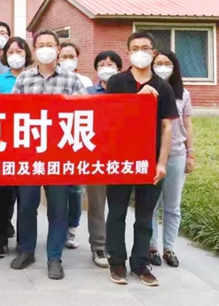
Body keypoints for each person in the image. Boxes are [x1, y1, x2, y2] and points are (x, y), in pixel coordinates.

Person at [9, 29, 86, 281]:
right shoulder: (24, 78)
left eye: (49, 45)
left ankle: (54, 257)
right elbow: (11, 113)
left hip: (59, 156)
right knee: (26, 206)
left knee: (58, 209)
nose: (45, 49)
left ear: (57, 48)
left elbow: (85, 115)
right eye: (40, 45)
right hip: (30, 154)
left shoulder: (72, 80)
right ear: (34, 49)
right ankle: (26, 251)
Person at [106, 31, 178, 287]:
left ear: (153, 53)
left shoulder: (164, 87)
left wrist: (162, 163)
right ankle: (116, 262)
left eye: (145, 48)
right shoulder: (116, 82)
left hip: (150, 161)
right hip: (120, 160)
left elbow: (167, 127)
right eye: (135, 48)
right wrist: (137, 102)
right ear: (128, 53)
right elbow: (110, 118)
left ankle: (140, 264)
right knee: (116, 213)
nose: (140, 52)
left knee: (145, 216)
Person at [0, 36, 33, 259]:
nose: (15, 56)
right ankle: (0, 240)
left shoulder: (34, 78)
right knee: (2, 198)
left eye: (20, 51)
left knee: (26, 200)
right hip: (4, 145)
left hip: (29, 144)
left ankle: (24, 243)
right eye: (11, 52)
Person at [149, 50, 194, 268]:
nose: (162, 67)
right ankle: (152, 248)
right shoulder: (147, 90)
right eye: (158, 63)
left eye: (167, 63)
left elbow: (187, 125)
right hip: (152, 154)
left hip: (176, 153)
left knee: (172, 206)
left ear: (174, 67)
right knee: (151, 205)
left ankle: (169, 248)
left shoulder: (183, 94)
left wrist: (190, 153)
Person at [83, 50, 123, 268]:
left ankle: (115, 246)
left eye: (110, 64)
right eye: (101, 64)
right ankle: (98, 246)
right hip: (96, 157)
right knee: (97, 205)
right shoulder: (88, 92)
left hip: (121, 157)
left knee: (118, 206)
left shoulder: (128, 91)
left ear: (119, 68)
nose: (106, 67)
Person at [57, 41, 93, 251]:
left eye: (72, 56)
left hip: (75, 141)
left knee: (75, 190)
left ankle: (71, 229)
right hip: (53, 140)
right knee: (57, 192)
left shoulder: (84, 81)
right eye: (64, 56)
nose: (68, 60)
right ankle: (58, 231)